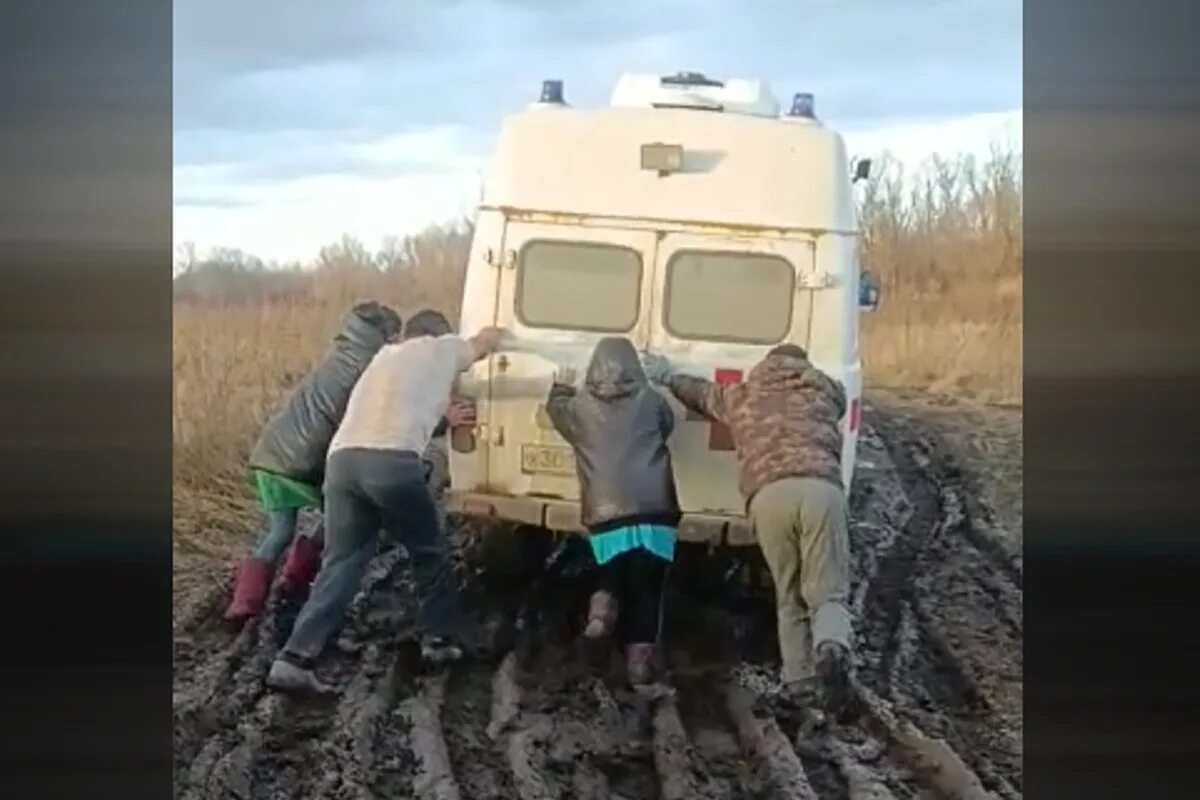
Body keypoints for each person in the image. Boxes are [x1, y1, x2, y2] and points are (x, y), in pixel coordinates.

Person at [266, 313, 507, 694]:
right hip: (391, 462)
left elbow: (400, 400)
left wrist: (442, 415)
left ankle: (294, 658)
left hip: (342, 463)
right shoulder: (440, 348)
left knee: (341, 561)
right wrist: (508, 332)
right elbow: (485, 341)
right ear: (437, 335)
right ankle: (440, 641)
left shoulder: (383, 358)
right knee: (428, 551)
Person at [642, 344, 854, 714]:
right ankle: (831, 646)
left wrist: (665, 374)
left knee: (788, 593)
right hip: (821, 490)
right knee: (827, 591)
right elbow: (840, 398)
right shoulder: (824, 390)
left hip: (769, 495)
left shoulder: (742, 397)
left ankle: (800, 683)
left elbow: (698, 393)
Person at [225, 301, 402, 624]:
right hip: (305, 462)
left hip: (270, 452)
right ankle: (294, 583)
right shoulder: (372, 367)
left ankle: (245, 603)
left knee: (279, 532)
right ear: (384, 334)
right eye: (394, 335)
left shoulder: (338, 355)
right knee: (345, 517)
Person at [545, 337, 681, 688]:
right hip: (655, 510)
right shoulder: (651, 400)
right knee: (648, 588)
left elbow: (556, 411)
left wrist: (559, 387)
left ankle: (599, 620)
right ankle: (640, 669)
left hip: (605, 513)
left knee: (612, 574)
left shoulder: (578, 407)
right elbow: (666, 426)